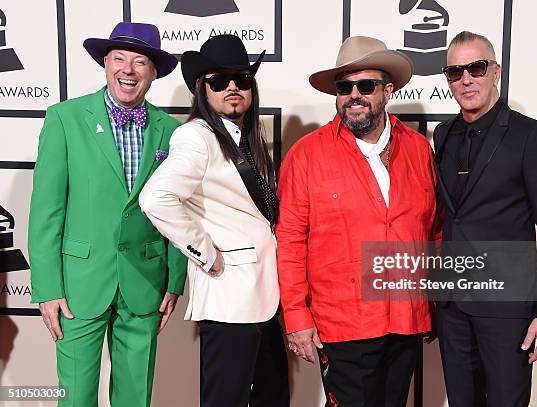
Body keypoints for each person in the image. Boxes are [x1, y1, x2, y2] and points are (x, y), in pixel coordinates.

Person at [276, 36, 441, 407]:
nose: (354, 95)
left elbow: (434, 231)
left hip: (406, 318)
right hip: (342, 324)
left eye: (366, 86)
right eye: (344, 87)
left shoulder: (418, 149)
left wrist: (432, 303)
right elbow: (289, 241)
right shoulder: (306, 155)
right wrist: (297, 317)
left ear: (387, 90)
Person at [28, 22, 187, 406]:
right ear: (105, 63)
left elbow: (180, 209)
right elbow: (47, 210)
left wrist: (175, 278)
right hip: (78, 284)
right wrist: (47, 287)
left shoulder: (172, 130)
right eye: (119, 59)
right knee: (77, 396)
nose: (127, 70)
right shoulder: (65, 118)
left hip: (146, 282)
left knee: (135, 396)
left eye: (139, 61)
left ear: (153, 72)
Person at [138, 34, 289, 407]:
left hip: (265, 296)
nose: (233, 88)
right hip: (229, 297)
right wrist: (204, 253)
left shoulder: (248, 138)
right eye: (219, 82)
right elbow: (155, 197)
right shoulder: (196, 137)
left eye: (241, 79)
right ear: (201, 89)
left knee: (273, 397)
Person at [433, 31, 537, 406]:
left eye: (475, 68)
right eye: (454, 71)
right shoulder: (443, 135)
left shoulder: (530, 136)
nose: (466, 79)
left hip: (507, 311)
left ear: (496, 71)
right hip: (452, 309)